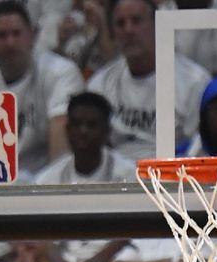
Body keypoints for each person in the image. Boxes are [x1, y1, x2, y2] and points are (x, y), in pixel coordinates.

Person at [87, 0, 209, 161]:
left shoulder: (194, 82)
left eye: (136, 20)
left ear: (157, 25)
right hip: (115, 177)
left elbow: (198, 148)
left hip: (171, 175)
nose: (128, 30)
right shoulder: (100, 84)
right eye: (120, 23)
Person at [0, 1, 85, 178]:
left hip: (48, 182)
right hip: (2, 186)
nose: (10, 42)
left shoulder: (61, 73)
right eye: (2, 35)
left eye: (16, 33)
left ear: (33, 35)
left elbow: (61, 144)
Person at [35, 92, 134, 185]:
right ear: (67, 130)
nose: (83, 131)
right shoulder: (47, 180)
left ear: (107, 131)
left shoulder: (130, 176)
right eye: (76, 124)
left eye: (92, 125)